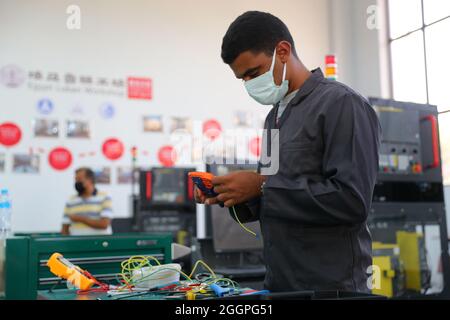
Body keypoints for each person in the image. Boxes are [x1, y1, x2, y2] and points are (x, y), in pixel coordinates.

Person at [195, 11, 381, 293]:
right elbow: (273, 198)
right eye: (242, 79)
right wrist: (231, 194)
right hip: (282, 283)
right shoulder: (274, 118)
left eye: (253, 73)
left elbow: (352, 201)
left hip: (333, 287)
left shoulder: (342, 104)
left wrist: (262, 185)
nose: (249, 85)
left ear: (283, 51)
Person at [61, 167, 113, 235]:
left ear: (90, 180)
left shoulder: (105, 197)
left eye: (79, 179)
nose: (77, 182)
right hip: (76, 244)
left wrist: (80, 219)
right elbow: (65, 227)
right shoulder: (71, 200)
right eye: (76, 180)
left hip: (100, 243)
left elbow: (104, 224)